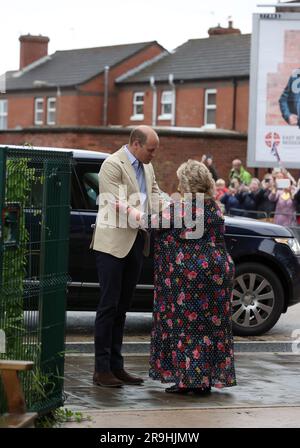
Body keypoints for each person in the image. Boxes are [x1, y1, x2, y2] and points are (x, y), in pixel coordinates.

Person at [129, 160, 236, 394]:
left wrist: (126, 209)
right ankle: (203, 381)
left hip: (191, 277)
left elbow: (149, 221)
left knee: (187, 327)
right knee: (209, 327)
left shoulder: (184, 207)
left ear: (187, 183)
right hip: (218, 272)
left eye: (180, 180)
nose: (178, 184)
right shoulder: (213, 206)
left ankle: (189, 382)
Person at [91, 125, 161, 388]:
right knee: (108, 306)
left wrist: (171, 211)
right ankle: (101, 369)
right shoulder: (112, 164)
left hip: (135, 243)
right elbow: (114, 202)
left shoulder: (147, 166)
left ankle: (116, 367)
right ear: (135, 144)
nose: (154, 155)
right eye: (151, 150)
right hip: (112, 245)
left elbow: (154, 194)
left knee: (122, 308)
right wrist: (144, 218)